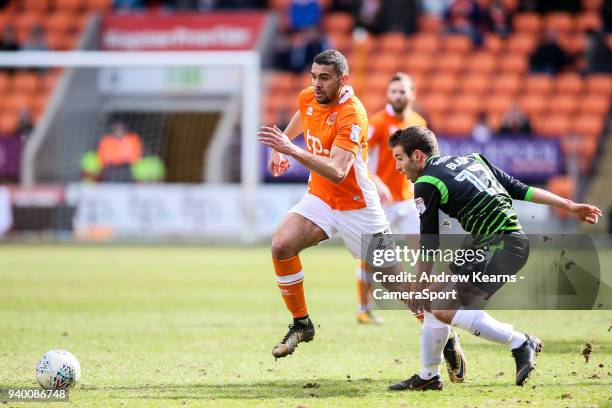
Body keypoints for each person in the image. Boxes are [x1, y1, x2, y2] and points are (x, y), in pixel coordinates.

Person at [387, 126, 602, 391]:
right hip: (496, 242)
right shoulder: (473, 159)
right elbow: (520, 189)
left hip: (500, 245)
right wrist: (568, 205)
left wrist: (416, 287)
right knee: (434, 301)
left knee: (441, 307)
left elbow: (430, 244)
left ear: (417, 155)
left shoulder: (426, 183)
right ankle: (429, 375)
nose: (397, 167)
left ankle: (520, 342)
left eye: (399, 158)